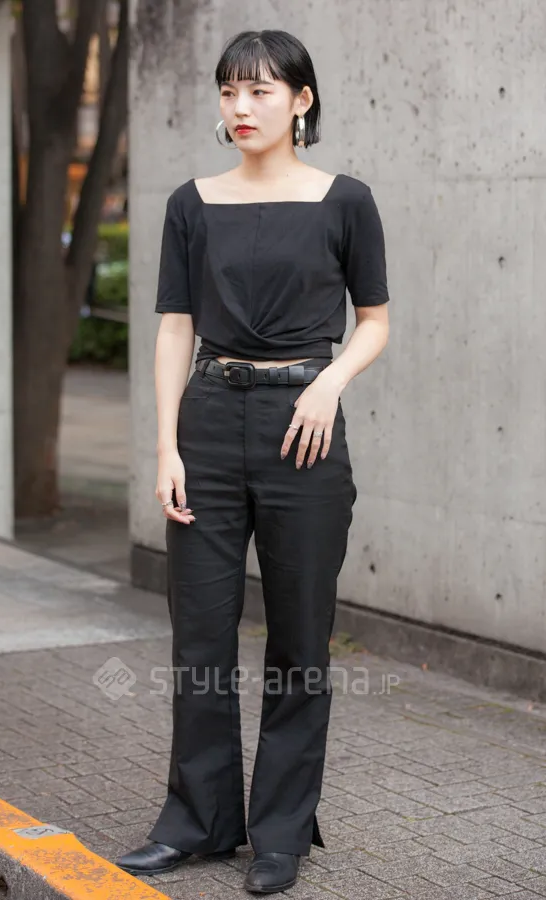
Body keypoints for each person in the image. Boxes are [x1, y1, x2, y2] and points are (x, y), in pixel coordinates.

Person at [116, 28, 390, 895]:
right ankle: (197, 822)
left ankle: (280, 834)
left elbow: (375, 322)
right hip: (207, 423)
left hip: (302, 428)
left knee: (300, 637)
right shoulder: (191, 203)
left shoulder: (345, 201)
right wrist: (166, 446)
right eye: (229, 90)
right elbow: (175, 328)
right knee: (199, 635)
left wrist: (329, 383)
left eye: (261, 91)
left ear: (301, 101)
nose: (241, 107)